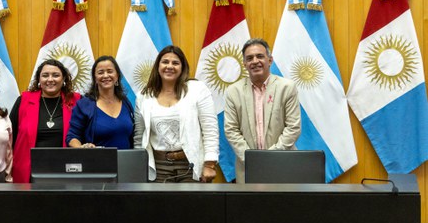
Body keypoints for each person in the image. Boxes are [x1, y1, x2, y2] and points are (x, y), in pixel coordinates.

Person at [134, 45, 219, 183]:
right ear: (158, 66)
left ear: (182, 67)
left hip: (190, 165)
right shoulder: (144, 96)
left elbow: (210, 129)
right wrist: (138, 166)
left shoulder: (197, 90)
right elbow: (139, 137)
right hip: (158, 168)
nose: (170, 66)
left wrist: (209, 164)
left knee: (191, 205)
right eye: (165, 62)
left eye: (175, 63)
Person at [224, 38, 301, 183]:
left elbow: (293, 128)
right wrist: (252, 159)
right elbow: (231, 130)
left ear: (270, 60)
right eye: (249, 58)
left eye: (260, 56)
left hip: (283, 164)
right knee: (250, 206)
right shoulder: (233, 91)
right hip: (248, 167)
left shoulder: (287, 87)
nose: (255, 61)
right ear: (245, 64)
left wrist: (269, 158)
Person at [10, 59, 80, 183]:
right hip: (28, 173)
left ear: (64, 79)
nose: (50, 79)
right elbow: (10, 137)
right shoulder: (24, 101)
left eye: (56, 75)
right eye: (45, 75)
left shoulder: (77, 101)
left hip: (67, 172)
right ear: (39, 79)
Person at [66, 56, 134, 149]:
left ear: (117, 75)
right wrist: (82, 147)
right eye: (100, 72)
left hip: (126, 161)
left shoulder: (126, 102)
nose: (105, 75)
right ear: (95, 78)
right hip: (96, 161)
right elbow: (72, 137)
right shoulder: (84, 105)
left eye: (110, 71)